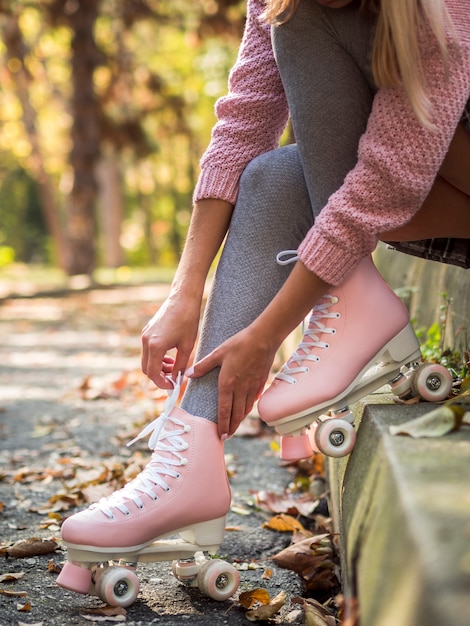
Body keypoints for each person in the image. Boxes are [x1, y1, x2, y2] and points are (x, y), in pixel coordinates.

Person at [57, 0, 470, 592]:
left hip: (435, 153)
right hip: (430, 172)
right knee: (272, 174)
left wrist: (273, 330)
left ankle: (354, 301)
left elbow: (388, 178)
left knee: (300, 16)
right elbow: (244, 124)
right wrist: (185, 290)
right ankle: (188, 455)